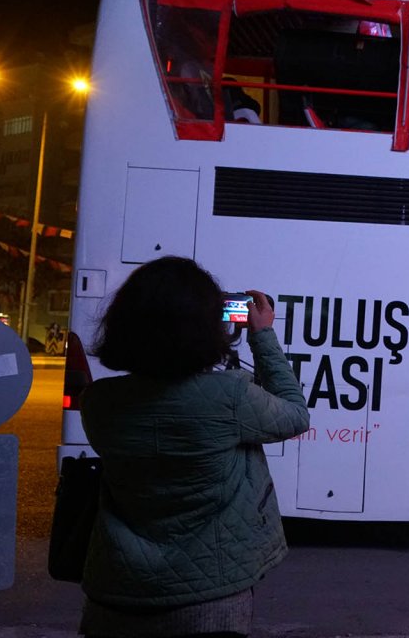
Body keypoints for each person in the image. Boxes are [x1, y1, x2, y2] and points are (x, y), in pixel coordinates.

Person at [78, 256, 310, 638]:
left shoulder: (98, 402)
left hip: (116, 594)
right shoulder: (230, 397)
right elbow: (296, 414)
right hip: (211, 602)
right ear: (205, 328)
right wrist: (262, 335)